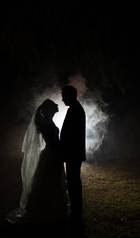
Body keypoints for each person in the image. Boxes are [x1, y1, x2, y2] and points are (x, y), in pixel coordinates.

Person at [6, 99, 68, 225]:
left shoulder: (48, 122)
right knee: (49, 180)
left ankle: (50, 208)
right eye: (54, 105)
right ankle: (47, 209)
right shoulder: (45, 124)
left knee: (50, 180)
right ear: (49, 109)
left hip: (52, 154)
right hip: (51, 155)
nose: (57, 106)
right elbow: (53, 141)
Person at [60, 86, 86, 220]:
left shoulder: (75, 110)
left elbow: (70, 135)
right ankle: (76, 208)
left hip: (73, 153)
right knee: (73, 180)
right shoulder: (76, 109)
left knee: (73, 181)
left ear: (70, 96)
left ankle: (76, 210)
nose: (62, 99)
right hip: (74, 152)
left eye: (64, 96)